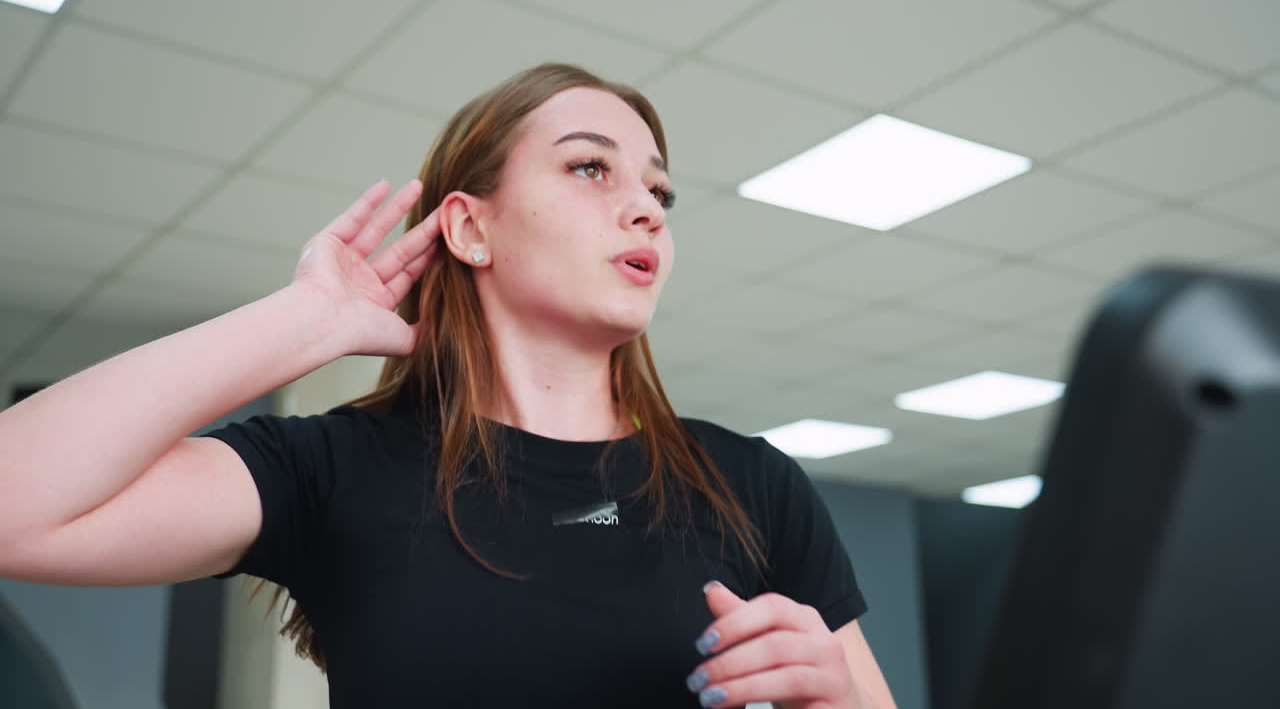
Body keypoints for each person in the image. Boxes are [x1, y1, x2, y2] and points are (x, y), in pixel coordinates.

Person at [0, 63, 895, 709]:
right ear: (468, 229)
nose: (646, 205)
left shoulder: (752, 483)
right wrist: (301, 323)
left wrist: (838, 705)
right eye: (592, 168)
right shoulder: (334, 469)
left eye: (660, 189)